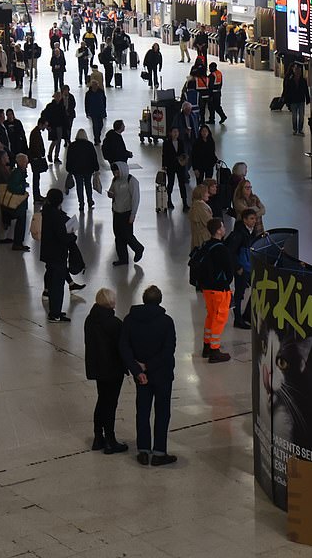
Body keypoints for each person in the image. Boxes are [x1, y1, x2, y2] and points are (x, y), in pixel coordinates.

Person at [119, 286, 177, 466]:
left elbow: (124, 347)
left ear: (144, 300)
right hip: (163, 374)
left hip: (141, 377)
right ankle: (159, 452)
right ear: (160, 300)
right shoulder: (166, 322)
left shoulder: (130, 320)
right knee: (162, 412)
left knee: (142, 412)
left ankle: (143, 450)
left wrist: (137, 369)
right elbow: (168, 351)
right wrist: (149, 365)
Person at [84, 288, 128, 453]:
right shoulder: (114, 323)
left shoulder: (90, 319)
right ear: (111, 302)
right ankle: (110, 440)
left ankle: (98, 437)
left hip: (97, 368)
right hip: (113, 369)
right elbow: (122, 346)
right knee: (110, 404)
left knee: (101, 400)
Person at [198, 218, 233, 363]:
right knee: (220, 319)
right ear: (218, 230)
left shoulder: (206, 245)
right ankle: (214, 350)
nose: (224, 229)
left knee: (211, 316)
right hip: (219, 289)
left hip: (207, 289)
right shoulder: (222, 248)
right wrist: (227, 283)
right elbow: (229, 270)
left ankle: (206, 346)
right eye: (223, 227)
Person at [39, 187, 74, 322]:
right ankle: (55, 314)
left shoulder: (47, 212)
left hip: (48, 252)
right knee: (58, 286)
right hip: (58, 253)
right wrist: (72, 237)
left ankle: (55, 311)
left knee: (53, 282)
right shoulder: (57, 217)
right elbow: (63, 236)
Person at [227, 208, 258, 329]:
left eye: (255, 218)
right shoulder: (239, 234)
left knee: (253, 289)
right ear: (245, 220)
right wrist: (238, 267)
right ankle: (238, 319)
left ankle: (246, 314)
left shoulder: (251, 231)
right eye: (251, 218)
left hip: (249, 266)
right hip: (241, 267)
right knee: (239, 293)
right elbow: (231, 251)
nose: (254, 221)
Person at [108, 162, 144, 266]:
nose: (115, 174)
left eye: (117, 171)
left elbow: (135, 199)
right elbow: (112, 191)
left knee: (127, 235)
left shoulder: (132, 181)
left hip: (127, 213)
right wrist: (110, 194)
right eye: (114, 172)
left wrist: (133, 214)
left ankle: (138, 248)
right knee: (118, 237)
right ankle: (123, 259)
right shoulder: (115, 180)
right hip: (117, 212)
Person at [65, 129, 99, 212]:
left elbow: (69, 158)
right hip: (88, 169)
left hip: (77, 170)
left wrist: (69, 169)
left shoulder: (72, 145)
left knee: (79, 186)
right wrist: (96, 168)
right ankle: (90, 201)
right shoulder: (89, 145)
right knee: (88, 185)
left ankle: (81, 203)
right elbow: (94, 157)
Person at [161, 126, 190, 212]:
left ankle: (185, 203)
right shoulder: (166, 143)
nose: (175, 133)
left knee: (182, 184)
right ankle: (169, 200)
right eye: (174, 132)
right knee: (170, 183)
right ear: (170, 133)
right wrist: (164, 165)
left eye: (177, 132)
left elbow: (184, 153)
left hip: (180, 166)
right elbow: (164, 155)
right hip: (171, 166)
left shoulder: (181, 142)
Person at [6, 154, 30, 252]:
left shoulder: (21, 172)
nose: (27, 163)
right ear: (20, 162)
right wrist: (22, 188)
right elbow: (11, 187)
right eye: (25, 161)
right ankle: (17, 243)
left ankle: (19, 242)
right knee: (20, 222)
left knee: (22, 222)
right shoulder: (17, 173)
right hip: (19, 201)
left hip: (21, 201)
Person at [283, 63, 311, 135]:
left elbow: (306, 91)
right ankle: (295, 129)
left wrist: (308, 99)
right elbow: (287, 91)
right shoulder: (290, 80)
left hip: (301, 100)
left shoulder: (303, 81)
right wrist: (287, 100)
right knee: (294, 116)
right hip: (293, 101)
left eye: (299, 71)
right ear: (294, 71)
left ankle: (300, 129)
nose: (298, 72)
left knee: (301, 116)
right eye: (296, 71)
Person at [27, 117, 48, 203]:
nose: (45, 128)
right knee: (36, 178)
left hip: (35, 158)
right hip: (35, 159)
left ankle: (37, 196)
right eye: (44, 126)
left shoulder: (35, 132)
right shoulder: (35, 133)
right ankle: (36, 197)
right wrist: (40, 156)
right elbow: (35, 147)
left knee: (37, 178)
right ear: (40, 124)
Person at [43, 91, 66, 163]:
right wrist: (47, 124)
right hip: (52, 126)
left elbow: (64, 117)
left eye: (59, 96)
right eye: (57, 96)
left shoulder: (62, 106)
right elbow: (45, 115)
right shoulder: (50, 106)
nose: (58, 98)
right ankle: (50, 154)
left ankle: (56, 157)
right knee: (55, 141)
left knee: (58, 141)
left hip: (59, 126)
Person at [188, 184, 212, 250]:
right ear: (201, 194)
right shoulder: (200, 207)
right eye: (207, 193)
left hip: (198, 237)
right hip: (203, 239)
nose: (208, 195)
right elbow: (209, 223)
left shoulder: (195, 205)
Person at [84, 79, 107, 146]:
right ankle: (96, 139)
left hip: (100, 110)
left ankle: (98, 135)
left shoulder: (101, 92)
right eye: (94, 85)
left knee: (101, 125)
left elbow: (104, 100)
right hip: (93, 111)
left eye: (96, 85)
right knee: (95, 126)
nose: (95, 86)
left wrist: (104, 109)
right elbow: (86, 103)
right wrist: (87, 112)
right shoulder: (88, 93)